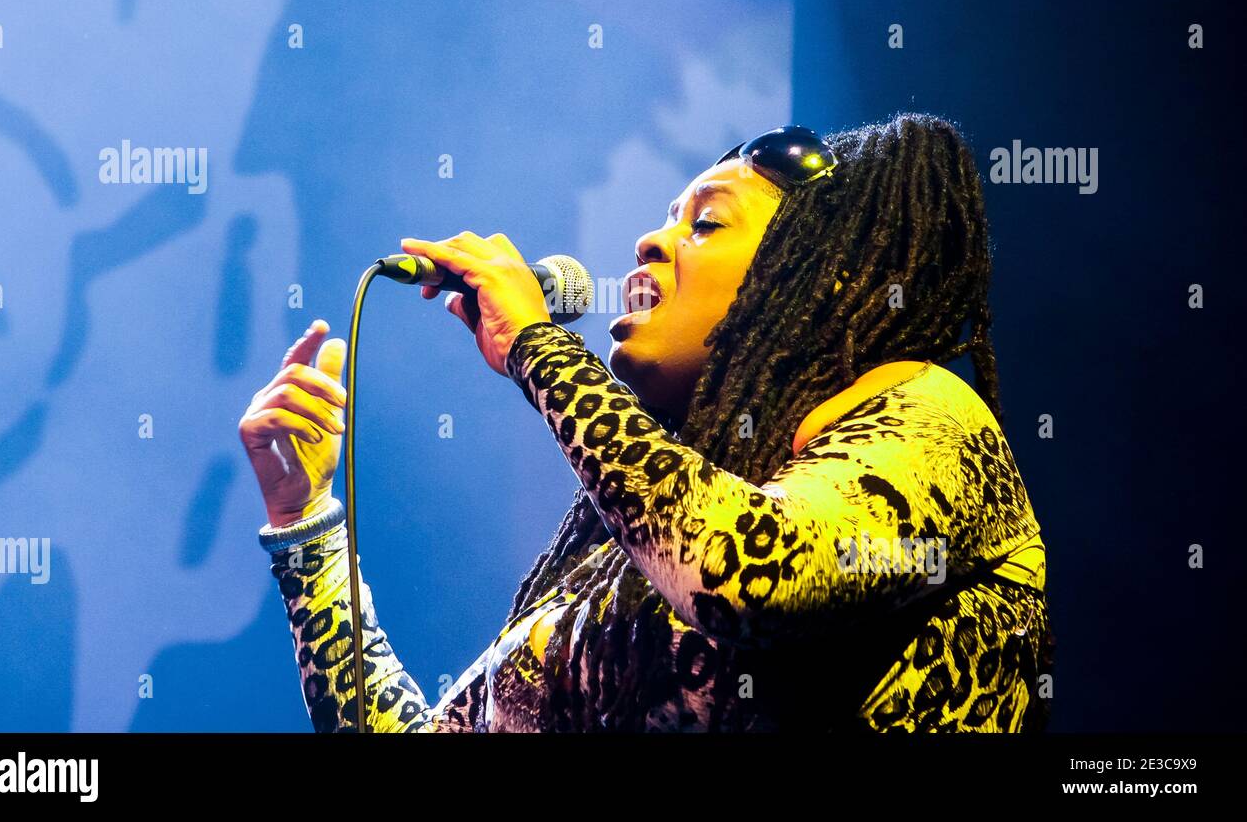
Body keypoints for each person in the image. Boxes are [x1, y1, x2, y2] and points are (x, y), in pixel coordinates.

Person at [239, 116, 1053, 732]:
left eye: (703, 223)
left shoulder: (932, 418)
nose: (648, 242)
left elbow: (750, 576)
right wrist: (305, 522)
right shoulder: (619, 545)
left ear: (824, 277)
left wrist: (538, 349)